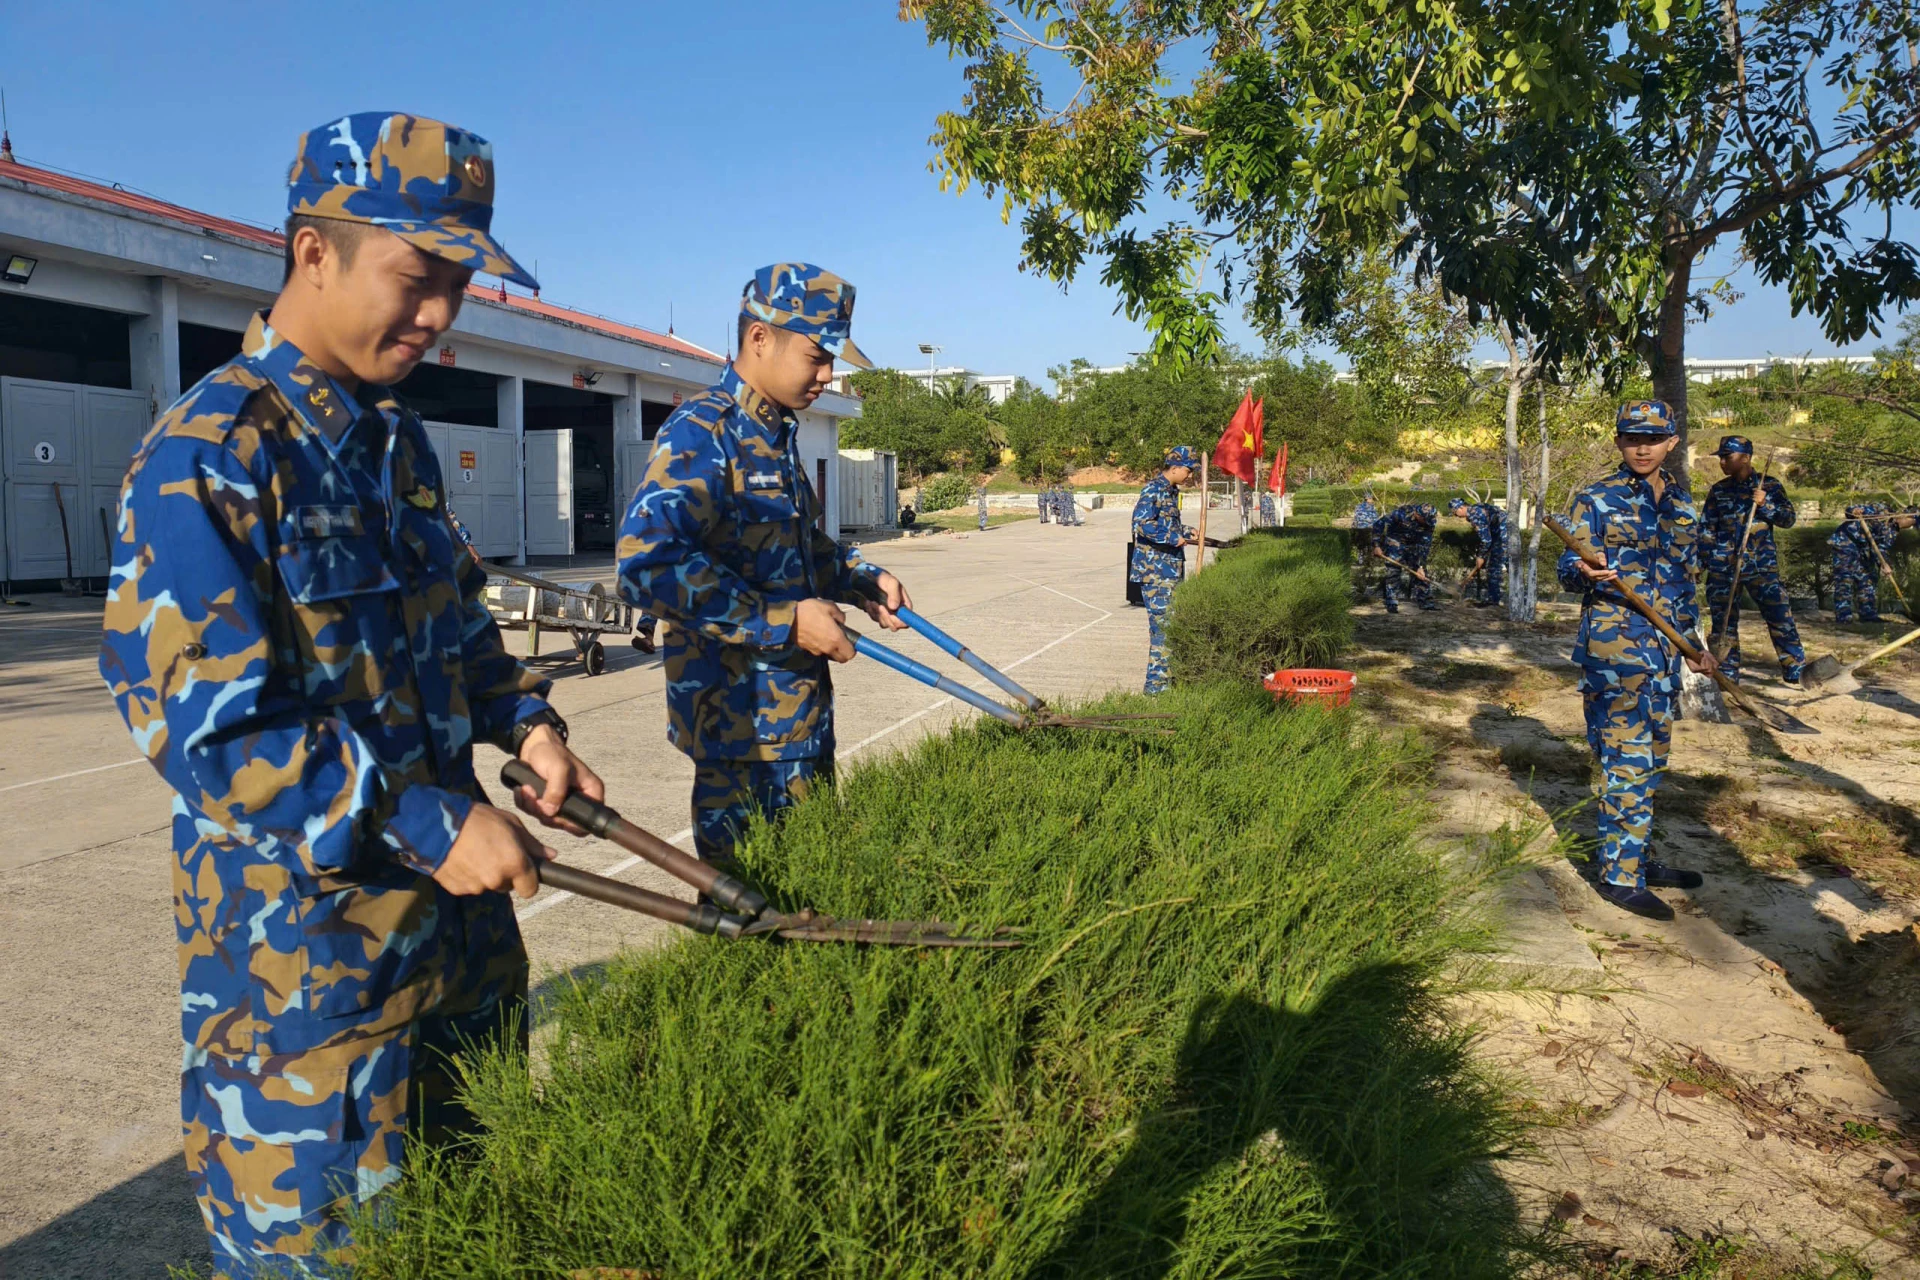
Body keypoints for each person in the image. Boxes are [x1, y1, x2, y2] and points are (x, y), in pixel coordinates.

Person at [98, 112, 605, 1279]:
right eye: (417, 278)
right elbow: (211, 729)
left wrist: (528, 724)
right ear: (312, 250)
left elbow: (462, 628)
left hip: (460, 967)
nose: (438, 316)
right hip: (312, 1009)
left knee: (478, 1246)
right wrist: (424, 818)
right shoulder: (208, 457)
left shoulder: (393, 445)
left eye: (459, 285)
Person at [616, 264, 912, 862]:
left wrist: (859, 578)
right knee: (759, 919)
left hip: (798, 726)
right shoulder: (707, 433)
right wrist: (784, 620)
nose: (829, 376)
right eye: (817, 356)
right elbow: (646, 563)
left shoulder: (774, 435)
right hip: (743, 739)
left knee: (820, 901)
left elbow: (797, 547)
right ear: (759, 339)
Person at [1555, 400, 1712, 922]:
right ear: (1619, 442)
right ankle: (1619, 878)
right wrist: (1583, 569)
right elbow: (1566, 562)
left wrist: (1695, 645)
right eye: (1630, 438)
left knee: (1653, 761)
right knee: (1627, 760)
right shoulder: (1596, 498)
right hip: (1616, 654)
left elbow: (1686, 582)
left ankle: (1637, 858)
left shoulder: (1684, 503)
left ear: (1672, 441)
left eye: (1653, 437)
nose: (1641, 447)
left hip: (1667, 654)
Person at [1698, 435, 1803, 683]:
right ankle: (1727, 673)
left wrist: (1765, 504)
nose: (1722, 462)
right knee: (1723, 623)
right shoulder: (1719, 490)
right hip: (1723, 567)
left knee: (1779, 616)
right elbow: (1706, 529)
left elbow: (1788, 520)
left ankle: (1795, 668)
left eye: (1728, 457)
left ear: (1746, 458)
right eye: (1721, 457)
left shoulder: (1771, 486)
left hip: (1761, 566)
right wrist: (1701, 562)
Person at [1130, 445, 1200, 693]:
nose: (1190, 475)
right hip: (1156, 573)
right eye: (1189, 470)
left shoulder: (1169, 491)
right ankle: (1156, 690)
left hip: (1168, 572)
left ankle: (1166, 684)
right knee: (1163, 631)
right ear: (1175, 468)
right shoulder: (1153, 489)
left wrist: (1184, 531)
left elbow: (1163, 523)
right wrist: (1171, 537)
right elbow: (1142, 524)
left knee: (1170, 629)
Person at [1830, 501, 1897, 623]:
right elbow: (1850, 510)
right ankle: (1844, 617)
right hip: (1845, 545)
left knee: (1867, 579)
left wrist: (1884, 563)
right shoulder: (1880, 509)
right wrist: (1855, 511)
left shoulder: (1892, 528)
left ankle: (1868, 615)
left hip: (1862, 550)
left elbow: (1880, 547)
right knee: (1844, 580)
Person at [1371, 503, 1440, 613]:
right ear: (1417, 514)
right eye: (1425, 519)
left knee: (1421, 572)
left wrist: (1420, 565)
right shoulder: (1401, 513)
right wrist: (1376, 545)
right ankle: (1392, 602)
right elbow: (1378, 524)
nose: (1427, 523)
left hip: (1414, 544)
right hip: (1395, 541)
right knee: (1393, 570)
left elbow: (1425, 545)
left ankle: (1425, 601)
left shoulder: (1429, 522)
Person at [1448, 495, 1508, 608]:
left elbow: (1486, 540)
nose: (1457, 516)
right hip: (1503, 534)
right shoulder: (1476, 508)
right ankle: (1523, 597)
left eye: (1456, 513)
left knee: (1494, 568)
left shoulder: (1475, 515)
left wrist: (1480, 556)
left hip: (1502, 537)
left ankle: (1493, 601)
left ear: (1460, 508)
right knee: (1512, 565)